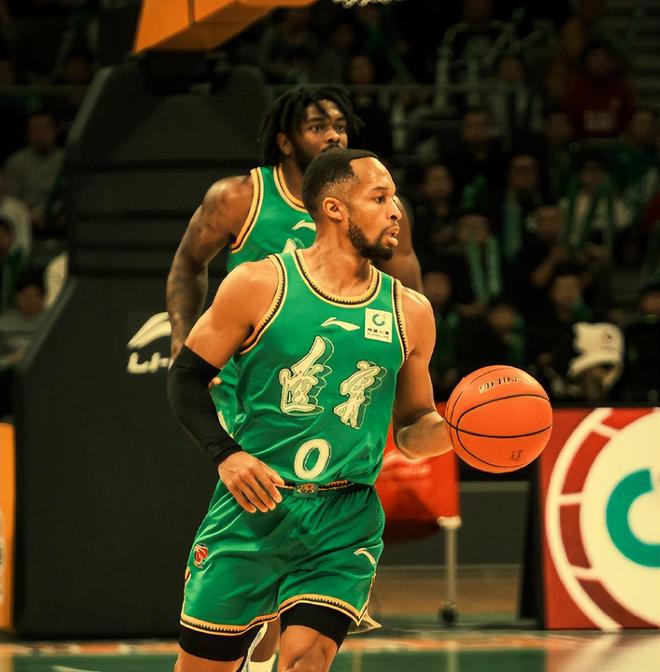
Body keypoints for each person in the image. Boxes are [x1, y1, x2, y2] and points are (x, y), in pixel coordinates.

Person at [166, 86, 422, 672]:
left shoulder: (391, 260)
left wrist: (408, 345)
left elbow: (407, 284)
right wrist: (183, 335)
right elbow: (188, 264)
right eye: (317, 125)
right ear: (285, 140)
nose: (333, 134)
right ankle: (255, 622)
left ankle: (284, 620)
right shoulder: (243, 201)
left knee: (305, 650)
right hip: (251, 389)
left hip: (341, 484)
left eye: (340, 125)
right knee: (257, 511)